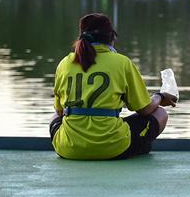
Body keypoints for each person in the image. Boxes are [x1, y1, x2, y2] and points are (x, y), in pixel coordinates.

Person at [50, 13, 176, 160]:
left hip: (69, 149)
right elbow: (145, 109)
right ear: (112, 38)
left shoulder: (65, 63)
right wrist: (159, 96)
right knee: (160, 113)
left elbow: (60, 111)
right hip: (113, 148)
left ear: (81, 38)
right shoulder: (122, 63)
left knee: (55, 116)